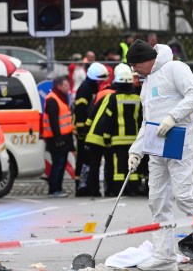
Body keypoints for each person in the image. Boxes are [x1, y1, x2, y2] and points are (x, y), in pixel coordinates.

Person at [125, 39, 193, 271]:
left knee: (184, 195)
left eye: (135, 65)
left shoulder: (175, 68)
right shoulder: (147, 83)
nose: (134, 71)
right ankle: (164, 254)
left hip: (180, 141)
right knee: (158, 200)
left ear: (146, 60)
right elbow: (146, 122)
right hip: (156, 146)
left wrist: (172, 117)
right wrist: (136, 150)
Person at [85, 63, 142, 196]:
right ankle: (133, 189)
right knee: (133, 164)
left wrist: (106, 137)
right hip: (133, 139)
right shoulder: (138, 98)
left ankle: (118, 190)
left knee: (119, 166)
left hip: (117, 139)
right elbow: (140, 119)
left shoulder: (113, 98)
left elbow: (108, 119)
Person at [73, 62, 109, 196]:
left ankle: (86, 186)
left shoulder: (92, 87)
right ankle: (81, 187)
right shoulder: (85, 89)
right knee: (82, 159)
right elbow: (80, 111)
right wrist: (82, 131)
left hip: (88, 130)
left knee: (87, 159)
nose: (102, 82)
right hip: (83, 131)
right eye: (100, 79)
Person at [42, 76, 75, 198]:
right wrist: (58, 138)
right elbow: (54, 121)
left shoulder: (60, 97)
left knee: (61, 163)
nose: (68, 88)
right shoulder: (52, 99)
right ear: (59, 86)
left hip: (63, 137)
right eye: (66, 85)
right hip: (56, 138)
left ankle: (58, 188)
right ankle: (54, 189)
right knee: (58, 163)